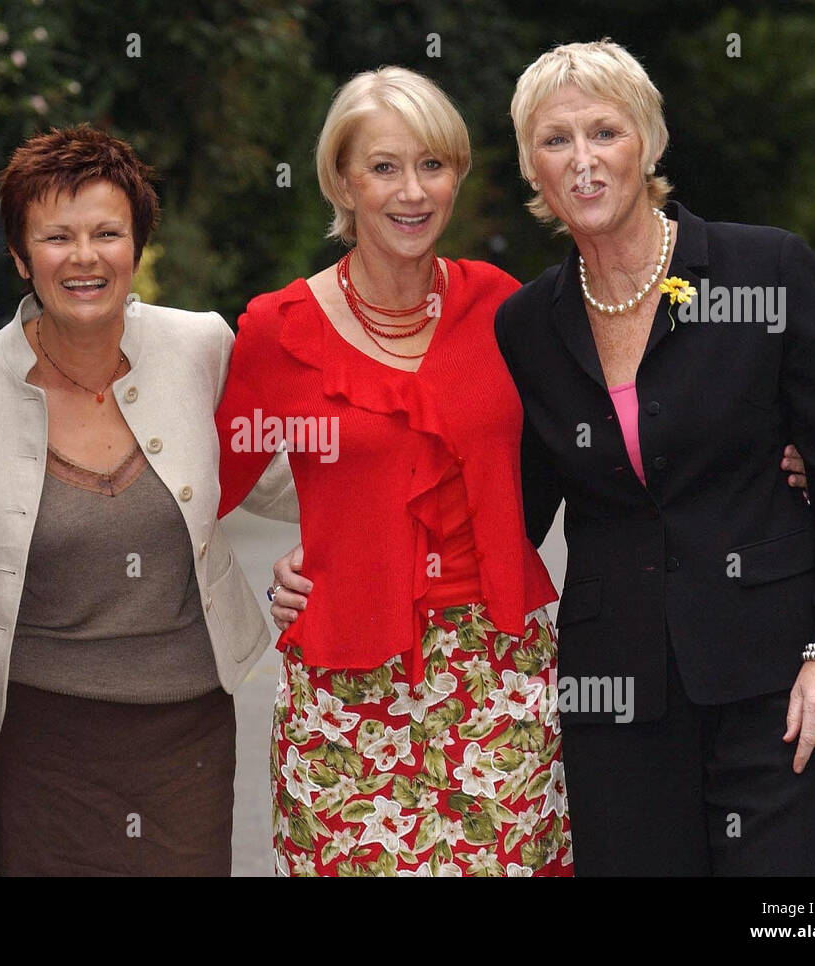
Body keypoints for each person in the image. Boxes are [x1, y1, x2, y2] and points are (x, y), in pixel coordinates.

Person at [492, 40, 815, 874]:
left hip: (782, 682)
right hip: (618, 697)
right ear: (533, 163)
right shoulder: (528, 323)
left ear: (650, 142)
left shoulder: (764, 269)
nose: (584, 161)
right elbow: (514, 513)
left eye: (605, 132)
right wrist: (336, 543)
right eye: (556, 140)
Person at [215, 68, 573, 877]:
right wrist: (291, 570)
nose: (412, 192)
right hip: (347, 689)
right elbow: (202, 487)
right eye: (384, 167)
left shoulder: (505, 306)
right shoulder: (279, 330)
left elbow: (602, 434)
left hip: (500, 676)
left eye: (433, 165)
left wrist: (777, 458)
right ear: (342, 180)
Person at [0, 125, 296, 876]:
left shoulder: (201, 347)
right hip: (37, 733)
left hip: (185, 728)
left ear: (137, 246)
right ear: (19, 255)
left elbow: (288, 480)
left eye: (108, 232)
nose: (84, 257)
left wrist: (324, 557)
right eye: (57, 237)